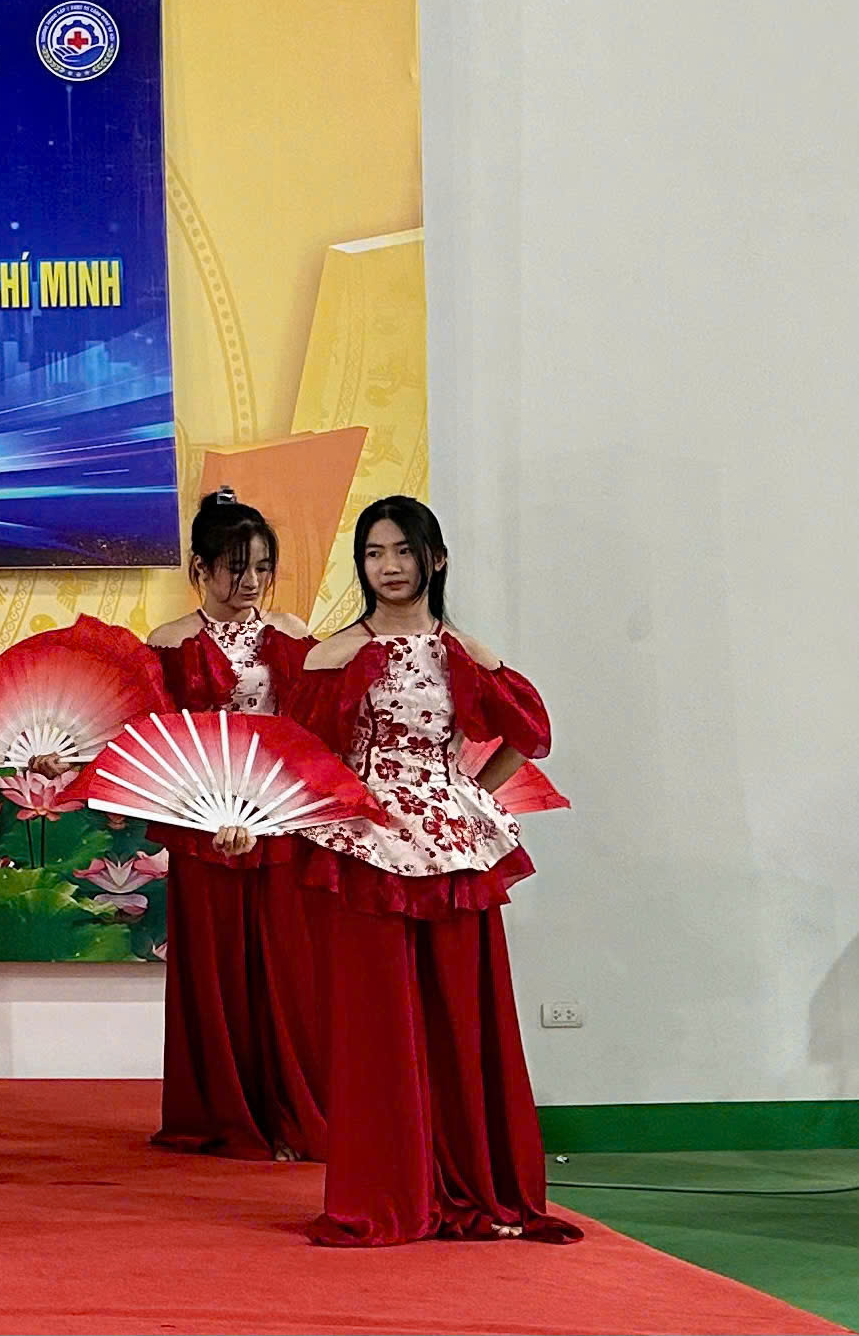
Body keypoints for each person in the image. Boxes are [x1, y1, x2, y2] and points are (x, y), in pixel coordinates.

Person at [290, 496, 581, 1246]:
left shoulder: (467, 651)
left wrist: (469, 792)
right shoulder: (331, 655)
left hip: (455, 848)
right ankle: (388, 1191)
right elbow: (304, 756)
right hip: (366, 849)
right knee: (376, 1026)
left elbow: (527, 732)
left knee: (463, 1019)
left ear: (436, 558)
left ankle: (472, 1180)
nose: (388, 567)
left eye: (403, 551)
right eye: (373, 553)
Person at [142, 489, 328, 1162]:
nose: (250, 583)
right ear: (200, 567)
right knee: (215, 973)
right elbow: (157, 741)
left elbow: (310, 730)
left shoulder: (295, 635)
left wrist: (271, 809)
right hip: (201, 825)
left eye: (261, 568)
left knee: (287, 971)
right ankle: (224, 1115)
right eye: (235, 568)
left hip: (277, 820)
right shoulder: (168, 642)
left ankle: (289, 1115)